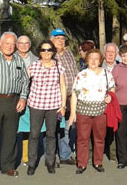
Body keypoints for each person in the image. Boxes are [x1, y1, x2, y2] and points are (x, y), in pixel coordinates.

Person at [0, 32, 29, 178]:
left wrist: (22, 98)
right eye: (6, 43)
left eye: (12, 44)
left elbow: (25, 81)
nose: (9, 46)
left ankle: (8, 165)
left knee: (10, 134)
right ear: (0, 43)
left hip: (13, 101)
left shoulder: (18, 60)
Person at [70, 49, 115, 174]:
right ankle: (82, 163)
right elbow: (74, 93)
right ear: (87, 60)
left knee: (99, 138)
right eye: (91, 58)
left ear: (101, 60)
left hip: (100, 110)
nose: (94, 61)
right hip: (83, 110)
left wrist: (110, 96)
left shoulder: (107, 73)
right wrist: (73, 113)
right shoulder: (81, 74)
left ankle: (98, 162)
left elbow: (112, 88)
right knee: (82, 138)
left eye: (96, 58)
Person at [26, 40, 66, 175]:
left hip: (53, 106)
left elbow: (63, 87)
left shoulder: (58, 66)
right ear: (40, 52)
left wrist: (63, 105)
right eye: (43, 50)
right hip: (36, 105)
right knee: (34, 134)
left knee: (51, 134)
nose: (46, 52)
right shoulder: (34, 66)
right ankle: (31, 163)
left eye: (49, 50)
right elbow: (23, 82)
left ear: (53, 52)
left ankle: (50, 162)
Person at [50, 29, 79, 166]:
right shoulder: (49, 55)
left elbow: (75, 72)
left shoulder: (68, 54)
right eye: (57, 39)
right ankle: (53, 156)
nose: (61, 41)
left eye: (62, 39)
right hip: (55, 97)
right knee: (55, 127)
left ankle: (65, 155)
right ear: (51, 40)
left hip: (70, 96)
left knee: (67, 127)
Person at [15, 35, 39, 166]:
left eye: (26, 43)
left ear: (29, 45)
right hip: (12, 96)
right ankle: (10, 157)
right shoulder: (10, 57)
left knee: (27, 128)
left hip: (31, 97)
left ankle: (26, 156)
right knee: (11, 128)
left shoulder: (36, 60)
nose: (23, 46)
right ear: (17, 44)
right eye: (20, 43)